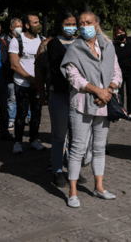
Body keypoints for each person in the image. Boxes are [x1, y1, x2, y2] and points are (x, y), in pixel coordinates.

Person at [61, 11, 122, 208]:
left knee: (99, 148)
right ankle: (72, 191)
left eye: (89, 22)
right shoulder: (74, 49)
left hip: (104, 104)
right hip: (81, 104)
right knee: (77, 148)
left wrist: (109, 90)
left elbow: (117, 72)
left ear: (97, 25)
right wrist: (98, 91)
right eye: (81, 23)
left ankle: (99, 187)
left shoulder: (107, 46)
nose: (85, 25)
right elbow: (73, 77)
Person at [45, 10, 81, 187]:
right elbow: (57, 68)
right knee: (59, 135)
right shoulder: (53, 44)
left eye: (74, 23)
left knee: (76, 136)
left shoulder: (81, 42)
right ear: (60, 24)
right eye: (68, 23)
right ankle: (58, 171)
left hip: (79, 95)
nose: (72, 27)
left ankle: (74, 171)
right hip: (60, 94)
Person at [9, 12, 45, 154]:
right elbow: (14, 65)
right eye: (35, 23)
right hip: (22, 84)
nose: (38, 25)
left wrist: (40, 82)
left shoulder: (42, 40)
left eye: (38, 22)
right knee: (21, 114)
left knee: (37, 113)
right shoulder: (17, 40)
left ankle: (33, 140)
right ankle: (17, 142)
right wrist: (31, 79)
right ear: (27, 25)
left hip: (38, 85)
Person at [112, 24, 131, 119]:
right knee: (119, 93)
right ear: (115, 35)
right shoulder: (113, 45)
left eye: (122, 32)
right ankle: (119, 111)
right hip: (119, 73)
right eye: (118, 33)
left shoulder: (130, 40)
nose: (121, 34)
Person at [1, 17, 24, 130]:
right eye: (17, 27)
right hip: (10, 73)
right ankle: (11, 119)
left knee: (25, 96)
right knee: (12, 97)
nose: (19, 29)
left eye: (21, 26)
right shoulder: (4, 39)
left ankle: (27, 117)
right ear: (11, 28)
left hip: (23, 72)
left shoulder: (25, 38)